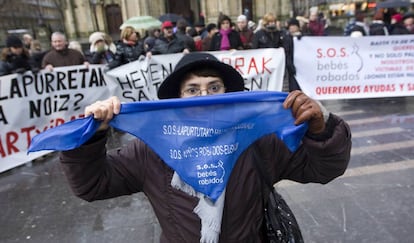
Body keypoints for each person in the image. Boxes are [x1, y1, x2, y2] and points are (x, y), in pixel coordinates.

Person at [59, 52, 352, 242]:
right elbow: (92, 185)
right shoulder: (151, 150)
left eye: (214, 87)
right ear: (177, 99)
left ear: (227, 94)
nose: (205, 96)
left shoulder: (256, 142)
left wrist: (321, 126)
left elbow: (324, 168)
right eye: (192, 90)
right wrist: (90, 137)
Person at [252, 13, 300, 91]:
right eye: (270, 22)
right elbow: (255, 49)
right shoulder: (259, 34)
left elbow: (285, 45)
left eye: (273, 21)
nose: (272, 24)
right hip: (265, 64)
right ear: (265, 23)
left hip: (277, 64)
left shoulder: (279, 33)